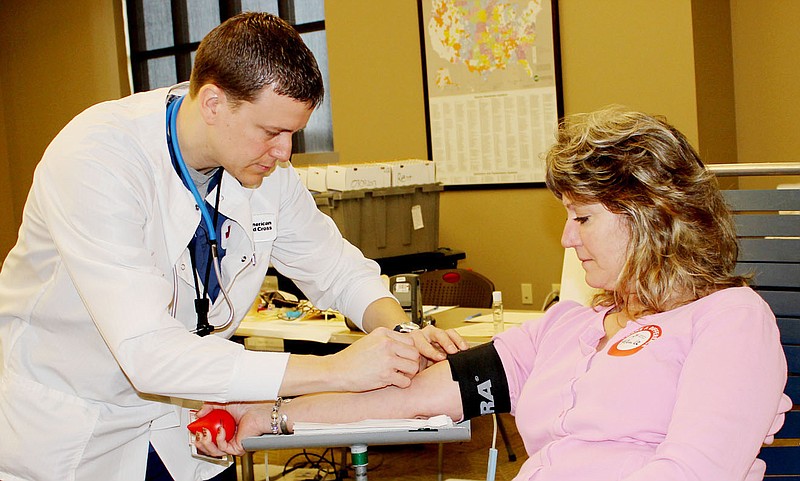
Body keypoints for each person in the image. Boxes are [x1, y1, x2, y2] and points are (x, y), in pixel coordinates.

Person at [198, 107, 792, 481]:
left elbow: (693, 471)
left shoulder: (730, 320)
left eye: (582, 218)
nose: (566, 237)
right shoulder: (568, 328)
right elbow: (412, 398)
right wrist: (262, 417)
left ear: (650, 216)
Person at [0, 12, 467, 481]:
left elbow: (338, 270)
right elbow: (147, 352)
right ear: (212, 103)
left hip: (185, 424)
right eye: (270, 133)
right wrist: (340, 371)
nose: (285, 153)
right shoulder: (97, 159)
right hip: (76, 428)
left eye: (293, 134)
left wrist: (402, 336)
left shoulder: (264, 171)